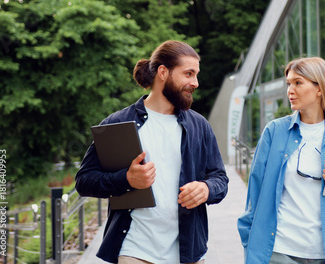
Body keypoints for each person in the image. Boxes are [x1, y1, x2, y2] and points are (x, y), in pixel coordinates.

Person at [76, 40, 229, 264]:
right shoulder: (118, 123)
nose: (195, 82)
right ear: (163, 72)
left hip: (189, 253)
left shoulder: (200, 126)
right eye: (188, 74)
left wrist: (207, 188)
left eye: (196, 75)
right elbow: (84, 181)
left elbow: (220, 179)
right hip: (134, 249)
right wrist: (126, 179)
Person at [237, 57, 325, 264]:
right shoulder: (275, 132)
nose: (290, 90)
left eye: (298, 83)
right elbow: (254, 194)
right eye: (289, 83)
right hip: (278, 251)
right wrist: (249, 244)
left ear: (319, 89)